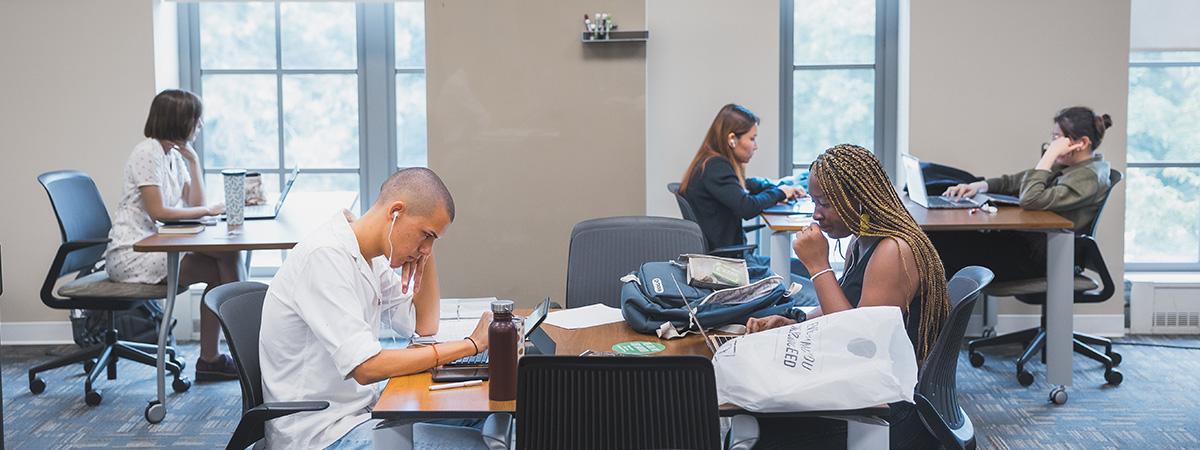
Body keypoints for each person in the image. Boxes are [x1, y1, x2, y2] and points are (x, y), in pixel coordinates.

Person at [259, 167, 492, 450]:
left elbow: (423, 325)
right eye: (426, 235)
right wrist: (470, 346)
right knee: (477, 446)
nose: (427, 247)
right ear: (396, 212)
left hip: (363, 414)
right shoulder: (325, 257)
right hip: (322, 435)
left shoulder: (370, 257)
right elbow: (367, 367)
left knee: (484, 418)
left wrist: (424, 258)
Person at [744, 144, 948, 449]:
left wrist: (818, 267)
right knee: (761, 409)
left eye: (825, 203)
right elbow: (844, 308)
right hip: (870, 394)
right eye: (814, 202)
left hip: (889, 414)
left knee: (767, 429)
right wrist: (793, 321)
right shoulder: (862, 239)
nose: (816, 214)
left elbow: (860, 345)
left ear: (861, 200)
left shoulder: (894, 251)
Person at [104, 89, 243, 381]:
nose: (201, 125)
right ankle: (246, 348)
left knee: (224, 265)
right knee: (227, 258)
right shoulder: (147, 153)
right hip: (133, 254)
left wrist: (193, 163)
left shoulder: (173, 155)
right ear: (180, 121)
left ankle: (211, 359)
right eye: (197, 119)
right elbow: (160, 212)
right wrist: (209, 209)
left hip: (156, 246)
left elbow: (193, 204)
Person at [935, 106, 1114, 281]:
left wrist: (1048, 156)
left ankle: (935, 309)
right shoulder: (1070, 167)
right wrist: (978, 186)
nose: (1052, 144)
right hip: (1027, 244)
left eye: (1057, 139)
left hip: (1045, 258)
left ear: (1081, 143)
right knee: (941, 240)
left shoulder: (1089, 176)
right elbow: (1014, 182)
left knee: (940, 249)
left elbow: (1031, 199)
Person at [679, 104, 805, 252]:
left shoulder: (709, 163)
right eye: (752, 138)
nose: (755, 146)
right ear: (732, 139)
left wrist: (776, 189)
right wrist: (781, 192)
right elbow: (747, 207)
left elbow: (742, 186)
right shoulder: (715, 166)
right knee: (800, 270)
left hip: (726, 259)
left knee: (796, 269)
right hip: (727, 266)